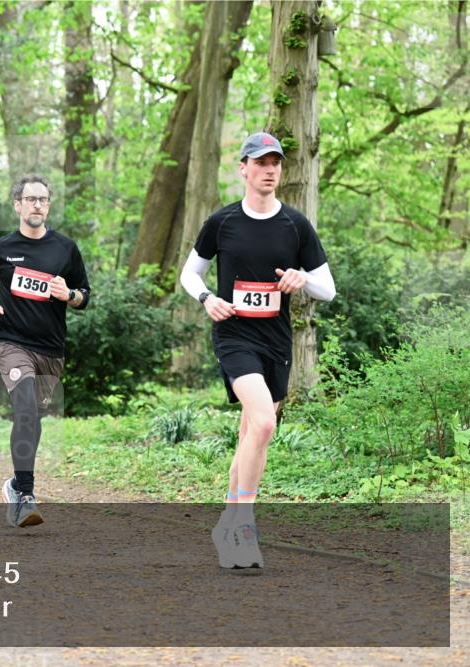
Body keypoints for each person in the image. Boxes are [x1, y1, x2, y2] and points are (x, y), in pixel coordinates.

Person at [179, 132, 336, 570]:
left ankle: (227, 524)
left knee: (253, 432)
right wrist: (207, 299)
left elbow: (329, 288)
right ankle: (243, 525)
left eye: (276, 163)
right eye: (261, 162)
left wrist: (303, 280)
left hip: (276, 340)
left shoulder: (295, 225)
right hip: (234, 336)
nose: (269, 169)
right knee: (264, 423)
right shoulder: (223, 222)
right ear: (243, 168)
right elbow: (189, 275)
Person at [0, 175, 90, 528]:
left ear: (48, 205)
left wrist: (68, 294)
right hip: (11, 344)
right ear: (18, 205)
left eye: (43, 199)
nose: (37, 204)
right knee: (24, 408)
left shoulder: (65, 249)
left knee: (33, 418)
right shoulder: (0, 249)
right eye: (31, 199)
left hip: (51, 350)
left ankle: (13, 483)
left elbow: (85, 295)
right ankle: (26, 495)